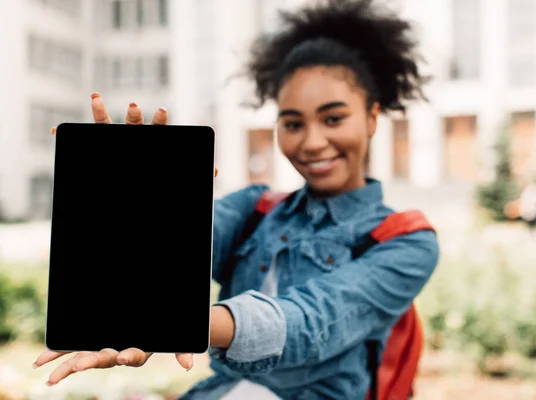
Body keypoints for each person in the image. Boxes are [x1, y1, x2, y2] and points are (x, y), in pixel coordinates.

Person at [33, 0, 440, 398]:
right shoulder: (253, 209)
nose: (313, 142)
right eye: (293, 123)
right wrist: (137, 201)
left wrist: (183, 322)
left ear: (372, 116)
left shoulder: (406, 242)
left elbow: (314, 320)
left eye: (333, 118)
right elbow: (155, 263)